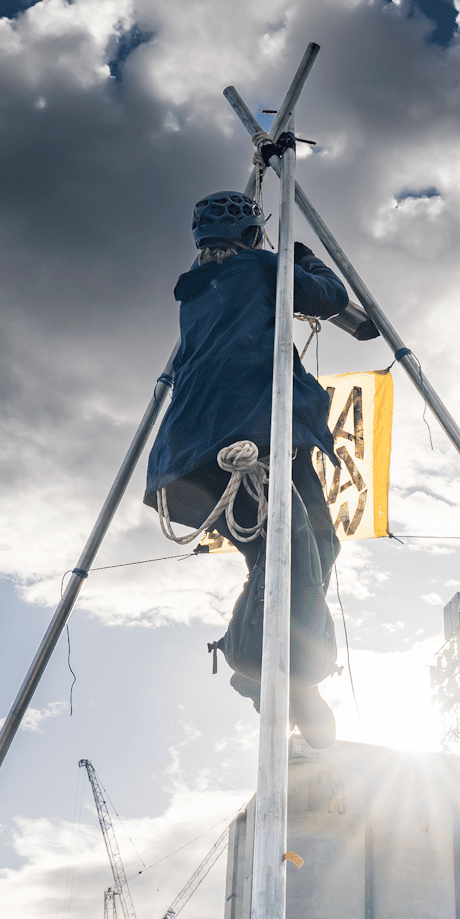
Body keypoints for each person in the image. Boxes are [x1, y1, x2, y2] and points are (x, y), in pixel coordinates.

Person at [145, 189, 350, 750]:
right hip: (255, 434)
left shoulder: (195, 291)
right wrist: (303, 259)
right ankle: (286, 671)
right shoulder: (260, 266)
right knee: (303, 549)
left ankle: (261, 662)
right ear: (252, 235)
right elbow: (327, 297)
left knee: (282, 554)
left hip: (192, 452)